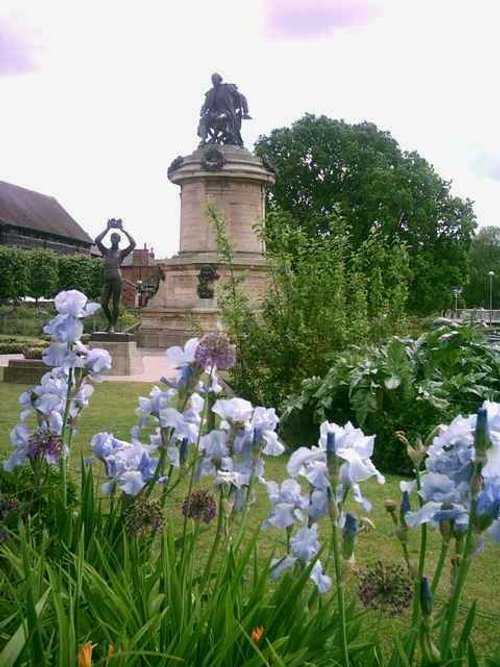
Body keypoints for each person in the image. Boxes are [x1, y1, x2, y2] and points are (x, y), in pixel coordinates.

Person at [94, 218, 136, 332]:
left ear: (119, 240)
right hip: (107, 278)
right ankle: (109, 323)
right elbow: (97, 240)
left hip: (117, 278)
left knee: (115, 303)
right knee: (103, 303)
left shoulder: (121, 253)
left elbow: (133, 244)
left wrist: (123, 230)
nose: (114, 239)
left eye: (116, 238)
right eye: (112, 238)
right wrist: (107, 228)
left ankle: (112, 325)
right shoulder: (105, 251)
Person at [197, 73, 251, 146]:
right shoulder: (211, 92)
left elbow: (241, 97)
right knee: (203, 120)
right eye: (212, 80)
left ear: (219, 79)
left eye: (215, 79)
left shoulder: (227, 87)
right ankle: (203, 140)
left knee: (221, 118)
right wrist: (202, 111)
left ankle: (215, 138)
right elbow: (205, 105)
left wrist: (245, 111)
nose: (213, 81)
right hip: (213, 113)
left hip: (227, 112)